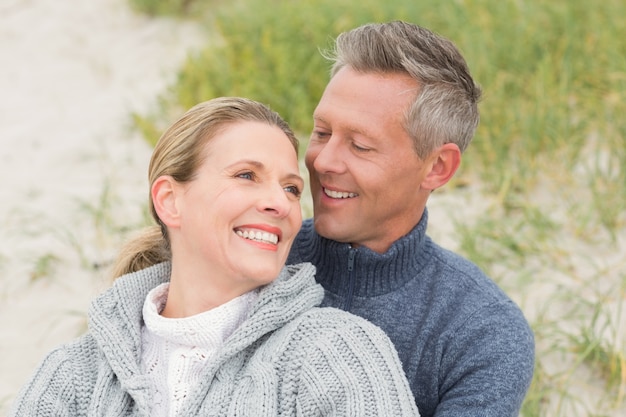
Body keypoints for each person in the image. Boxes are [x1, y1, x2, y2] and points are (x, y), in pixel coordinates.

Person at [10, 97, 420, 416]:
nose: (280, 203)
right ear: (170, 201)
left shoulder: (335, 351)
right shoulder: (73, 374)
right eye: (247, 176)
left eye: (292, 189)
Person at [287, 21, 535, 417]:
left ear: (437, 167)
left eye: (360, 145)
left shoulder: (484, 334)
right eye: (321, 132)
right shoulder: (254, 257)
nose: (323, 161)